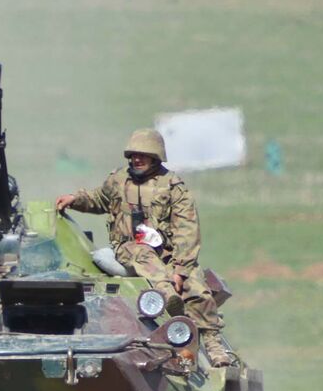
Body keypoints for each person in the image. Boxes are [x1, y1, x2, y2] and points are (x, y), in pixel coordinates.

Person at [54, 128, 233, 366]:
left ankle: (213, 344)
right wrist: (76, 200)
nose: (136, 159)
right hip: (129, 248)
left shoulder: (173, 187)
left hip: (167, 254)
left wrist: (181, 269)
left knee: (198, 287)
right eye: (133, 155)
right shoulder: (118, 181)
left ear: (156, 157)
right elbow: (99, 199)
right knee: (143, 253)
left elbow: (187, 230)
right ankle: (167, 295)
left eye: (143, 155)